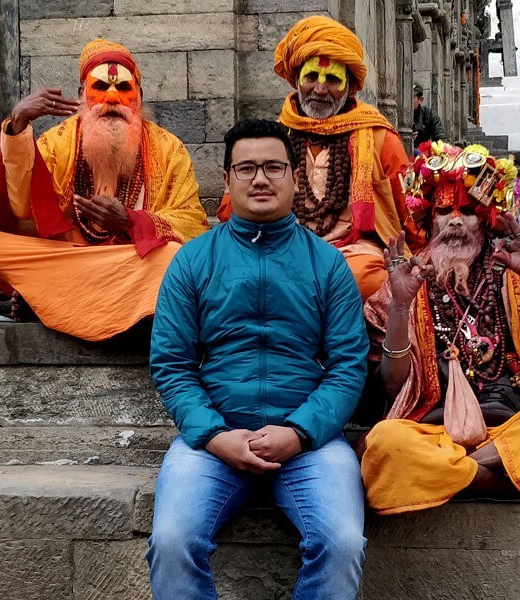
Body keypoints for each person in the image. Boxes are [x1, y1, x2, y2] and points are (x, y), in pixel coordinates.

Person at [147, 118, 370, 599]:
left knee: (343, 542)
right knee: (171, 541)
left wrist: (300, 432)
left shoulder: (327, 264)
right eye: (246, 168)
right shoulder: (192, 261)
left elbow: (349, 365)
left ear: (294, 177)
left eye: (273, 167)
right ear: (226, 180)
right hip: (213, 440)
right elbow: (171, 364)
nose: (261, 179)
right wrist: (213, 435)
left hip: (310, 442)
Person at [358, 142, 520, 515]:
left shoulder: (513, 276)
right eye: (444, 210)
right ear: (428, 221)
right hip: (435, 435)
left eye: (469, 212)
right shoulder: (405, 282)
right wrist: (399, 307)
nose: (456, 221)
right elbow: (393, 386)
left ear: (486, 222)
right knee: (384, 444)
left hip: (514, 429)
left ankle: (469, 475)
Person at [0, 39, 210, 341]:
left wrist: (130, 222)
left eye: (124, 89)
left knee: (173, 257)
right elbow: (21, 208)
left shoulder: (168, 148)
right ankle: (112, 308)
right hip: (73, 258)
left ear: (140, 97)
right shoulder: (59, 140)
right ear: (82, 95)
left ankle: (52, 300)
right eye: (100, 87)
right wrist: (18, 125)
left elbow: (194, 225)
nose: (112, 98)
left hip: (132, 261)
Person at [216, 16, 417, 300]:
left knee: (367, 277)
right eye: (311, 77)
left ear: (350, 85)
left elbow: (409, 207)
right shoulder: (276, 136)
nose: (320, 89)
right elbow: (232, 207)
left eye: (333, 79)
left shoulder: (380, 138)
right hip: (280, 246)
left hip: (352, 253)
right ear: (297, 80)